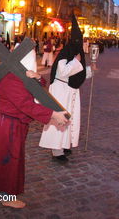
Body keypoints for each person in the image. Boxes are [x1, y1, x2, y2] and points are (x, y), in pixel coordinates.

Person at [0, 47, 70, 209]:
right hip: (7, 124)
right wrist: (53, 115)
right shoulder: (13, 77)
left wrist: (39, 77)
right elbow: (25, 104)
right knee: (9, 159)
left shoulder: (13, 71)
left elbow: (33, 86)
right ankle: (7, 195)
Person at [39, 14, 87, 162]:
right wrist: (76, 62)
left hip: (70, 90)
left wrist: (90, 70)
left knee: (69, 119)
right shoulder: (66, 53)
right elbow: (63, 71)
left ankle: (65, 145)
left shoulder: (73, 54)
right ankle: (56, 150)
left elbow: (78, 72)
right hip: (60, 90)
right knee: (59, 118)